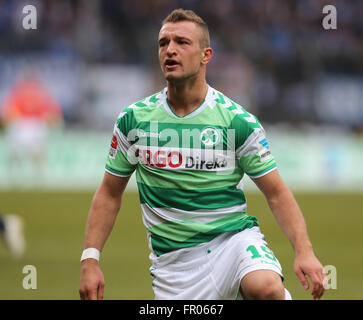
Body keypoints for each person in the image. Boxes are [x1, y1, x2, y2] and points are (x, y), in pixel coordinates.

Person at [79, 8, 325, 300]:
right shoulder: (134, 120)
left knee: (267, 287)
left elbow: (276, 193)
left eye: (182, 42)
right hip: (174, 267)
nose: (170, 50)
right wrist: (90, 260)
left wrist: (304, 252)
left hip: (231, 241)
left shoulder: (236, 121)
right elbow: (109, 193)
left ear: (206, 55)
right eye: (163, 43)